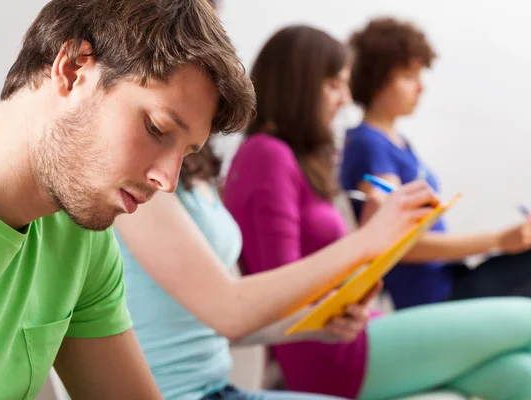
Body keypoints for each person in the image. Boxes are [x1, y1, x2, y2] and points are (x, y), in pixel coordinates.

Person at [0, 0, 256, 398]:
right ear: (72, 69)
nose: (168, 180)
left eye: (186, 153)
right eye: (156, 128)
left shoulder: (83, 239)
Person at [223, 24, 531, 400]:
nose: (345, 98)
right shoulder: (266, 155)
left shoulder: (287, 159)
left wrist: (372, 240)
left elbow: (321, 275)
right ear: (298, 84)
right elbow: (282, 287)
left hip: (352, 332)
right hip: (327, 354)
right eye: (334, 85)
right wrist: (371, 241)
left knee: (518, 373)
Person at [340, 17, 531, 309]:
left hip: (449, 278)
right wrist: (499, 240)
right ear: (376, 79)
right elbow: (396, 244)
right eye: (408, 77)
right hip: (432, 296)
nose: (421, 88)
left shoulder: (398, 143)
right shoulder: (369, 144)